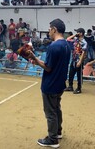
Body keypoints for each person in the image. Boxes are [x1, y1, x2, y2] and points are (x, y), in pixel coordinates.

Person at [29, 19, 71, 148]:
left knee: (50, 112)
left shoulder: (54, 46)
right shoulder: (66, 45)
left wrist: (35, 59)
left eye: (49, 29)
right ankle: (57, 132)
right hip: (59, 83)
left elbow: (48, 67)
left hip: (51, 84)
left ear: (54, 29)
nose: (49, 32)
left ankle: (52, 139)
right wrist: (38, 61)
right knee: (56, 108)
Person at [65, 28, 87, 94]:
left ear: (81, 33)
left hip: (79, 60)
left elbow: (84, 52)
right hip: (74, 59)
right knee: (71, 74)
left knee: (79, 75)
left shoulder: (84, 42)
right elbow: (68, 39)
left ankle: (79, 88)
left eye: (78, 32)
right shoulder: (75, 40)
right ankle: (70, 86)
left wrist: (80, 61)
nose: (77, 33)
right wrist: (75, 35)